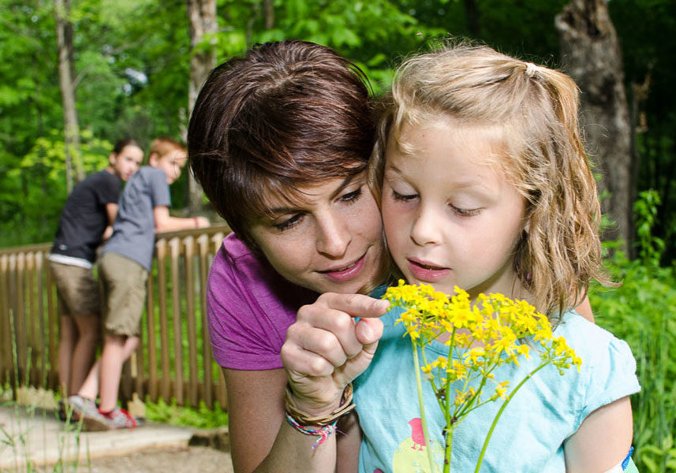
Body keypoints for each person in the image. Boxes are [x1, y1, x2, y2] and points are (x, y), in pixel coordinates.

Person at [187, 41, 595, 472]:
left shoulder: (499, 248)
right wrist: (309, 408)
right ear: (246, 236)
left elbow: (580, 405)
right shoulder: (245, 281)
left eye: (350, 194)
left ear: (386, 160)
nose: (335, 242)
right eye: (288, 221)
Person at [282, 44, 640, 472]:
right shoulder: (364, 340)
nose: (422, 230)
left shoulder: (588, 367)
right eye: (404, 195)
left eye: (464, 207)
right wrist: (312, 402)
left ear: (534, 208)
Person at [69, 137, 210, 430]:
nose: (174, 172)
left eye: (180, 169)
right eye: (173, 163)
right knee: (117, 337)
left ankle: (85, 394)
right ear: (155, 159)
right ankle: (107, 410)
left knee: (126, 338)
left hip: (111, 258)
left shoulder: (135, 181)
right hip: (128, 260)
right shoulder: (155, 176)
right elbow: (162, 222)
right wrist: (197, 223)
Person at [49, 138, 143, 401]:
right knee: (90, 332)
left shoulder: (94, 182)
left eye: (137, 162)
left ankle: (67, 400)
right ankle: (78, 401)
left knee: (70, 333)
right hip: (75, 263)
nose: (132, 167)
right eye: (128, 159)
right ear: (113, 157)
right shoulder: (109, 182)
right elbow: (118, 223)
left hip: (60, 256)